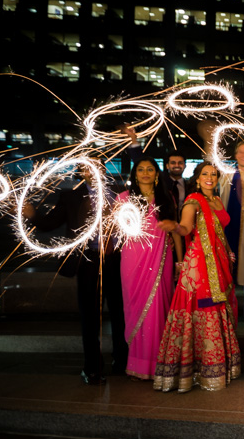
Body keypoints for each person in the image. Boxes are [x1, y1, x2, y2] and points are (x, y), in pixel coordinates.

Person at [21, 160, 126, 384]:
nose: (92, 170)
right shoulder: (70, 196)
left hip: (116, 260)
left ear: (104, 170)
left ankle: (122, 360)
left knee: (120, 312)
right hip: (87, 261)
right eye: (87, 167)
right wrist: (32, 214)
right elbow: (49, 224)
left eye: (97, 166)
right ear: (81, 172)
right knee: (89, 316)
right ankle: (93, 368)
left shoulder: (119, 193)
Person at [154, 162, 241, 392]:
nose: (210, 177)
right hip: (200, 267)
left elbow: (219, 230)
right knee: (205, 309)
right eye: (205, 174)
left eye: (214, 174)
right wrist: (174, 226)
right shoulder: (194, 199)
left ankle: (218, 365)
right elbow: (185, 228)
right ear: (198, 178)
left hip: (219, 262)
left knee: (217, 307)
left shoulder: (217, 200)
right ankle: (198, 369)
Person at [117, 156, 182, 380]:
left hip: (161, 259)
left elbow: (174, 230)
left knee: (158, 307)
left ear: (156, 174)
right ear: (135, 174)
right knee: (137, 307)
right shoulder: (124, 199)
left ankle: (158, 364)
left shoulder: (167, 198)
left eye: (150, 169)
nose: (145, 173)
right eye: (141, 169)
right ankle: (138, 363)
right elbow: (119, 232)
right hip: (133, 260)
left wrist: (179, 261)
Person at [219, 140, 244, 320]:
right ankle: (230, 315)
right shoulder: (227, 176)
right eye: (240, 152)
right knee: (230, 270)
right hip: (232, 230)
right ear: (235, 155)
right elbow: (222, 203)